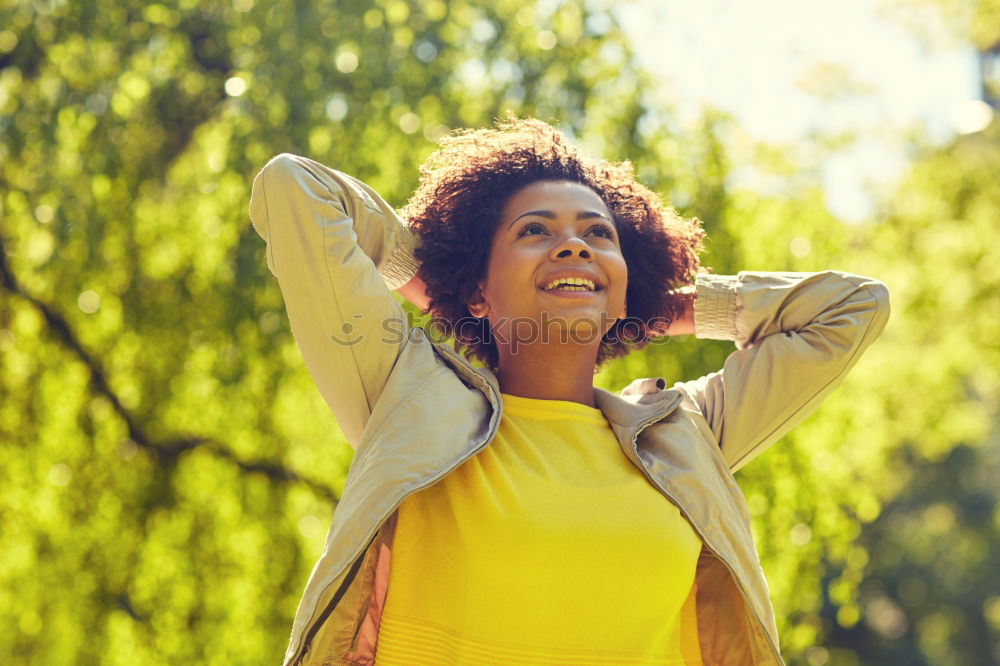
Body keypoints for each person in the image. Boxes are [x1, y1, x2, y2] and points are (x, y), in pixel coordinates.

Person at [248, 115, 890, 666]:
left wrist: (648, 308)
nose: (575, 245)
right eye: (535, 231)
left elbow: (853, 307)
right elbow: (295, 189)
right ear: (479, 283)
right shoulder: (404, 396)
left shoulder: (687, 436)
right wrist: (444, 288)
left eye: (598, 235)